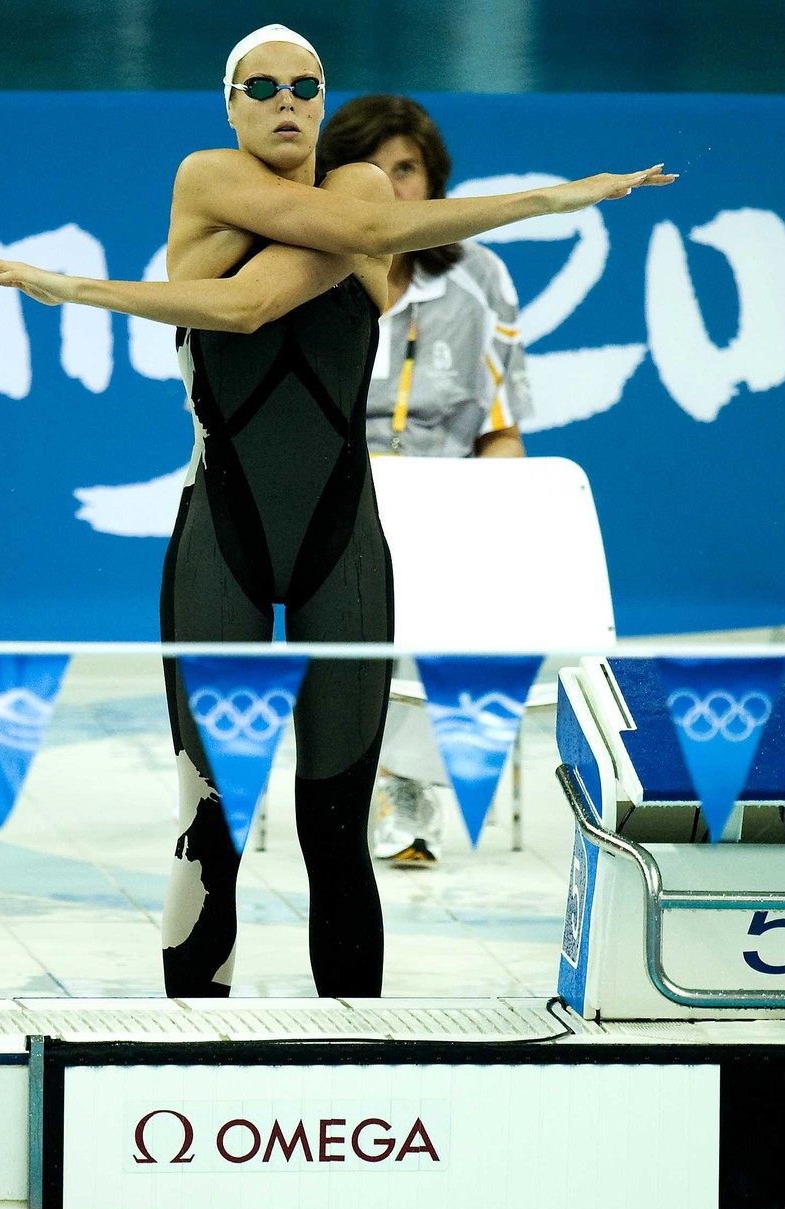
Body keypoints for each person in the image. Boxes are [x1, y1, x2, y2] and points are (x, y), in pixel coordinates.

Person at [0, 24, 673, 997]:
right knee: (210, 819)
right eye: (263, 88)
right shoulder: (207, 180)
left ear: (325, 102)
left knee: (336, 827)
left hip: (345, 545)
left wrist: (73, 287)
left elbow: (255, 300)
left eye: (306, 85)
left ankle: (352, 1054)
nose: (287, 102)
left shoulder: (363, 197)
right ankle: (191, 1051)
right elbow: (270, 295)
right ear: (231, 105)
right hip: (223, 537)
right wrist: (545, 198)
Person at [316, 94, 531, 867]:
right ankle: (370, 778)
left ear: (434, 184)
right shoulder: (307, 266)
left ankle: (407, 781)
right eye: (369, 171)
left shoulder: (480, 276)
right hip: (330, 498)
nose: (390, 189)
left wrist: (497, 513)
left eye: (405, 170)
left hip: (448, 506)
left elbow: (501, 429)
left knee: (458, 582)